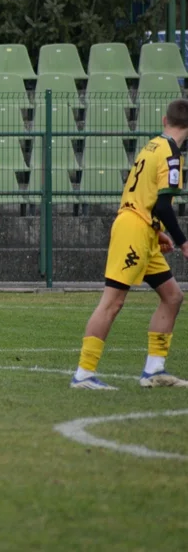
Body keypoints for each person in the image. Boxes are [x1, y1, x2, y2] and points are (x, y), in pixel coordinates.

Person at [71, 99, 188, 390]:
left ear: (164, 121)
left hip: (142, 228)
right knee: (113, 302)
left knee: (172, 297)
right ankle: (84, 374)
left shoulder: (152, 146)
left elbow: (144, 193)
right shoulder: (172, 156)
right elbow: (162, 204)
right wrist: (183, 241)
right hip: (134, 231)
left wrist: (156, 231)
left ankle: (154, 371)